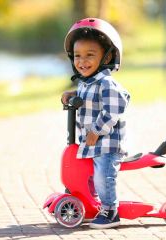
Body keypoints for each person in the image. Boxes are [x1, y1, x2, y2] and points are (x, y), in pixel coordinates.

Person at [61, 18, 130, 229]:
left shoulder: (107, 83)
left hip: (106, 145)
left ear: (107, 56)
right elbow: (88, 97)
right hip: (92, 144)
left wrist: (96, 131)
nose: (82, 61)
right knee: (88, 175)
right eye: (78, 56)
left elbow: (116, 107)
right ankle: (92, 207)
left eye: (90, 55)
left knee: (103, 176)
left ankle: (110, 211)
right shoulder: (87, 82)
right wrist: (73, 93)